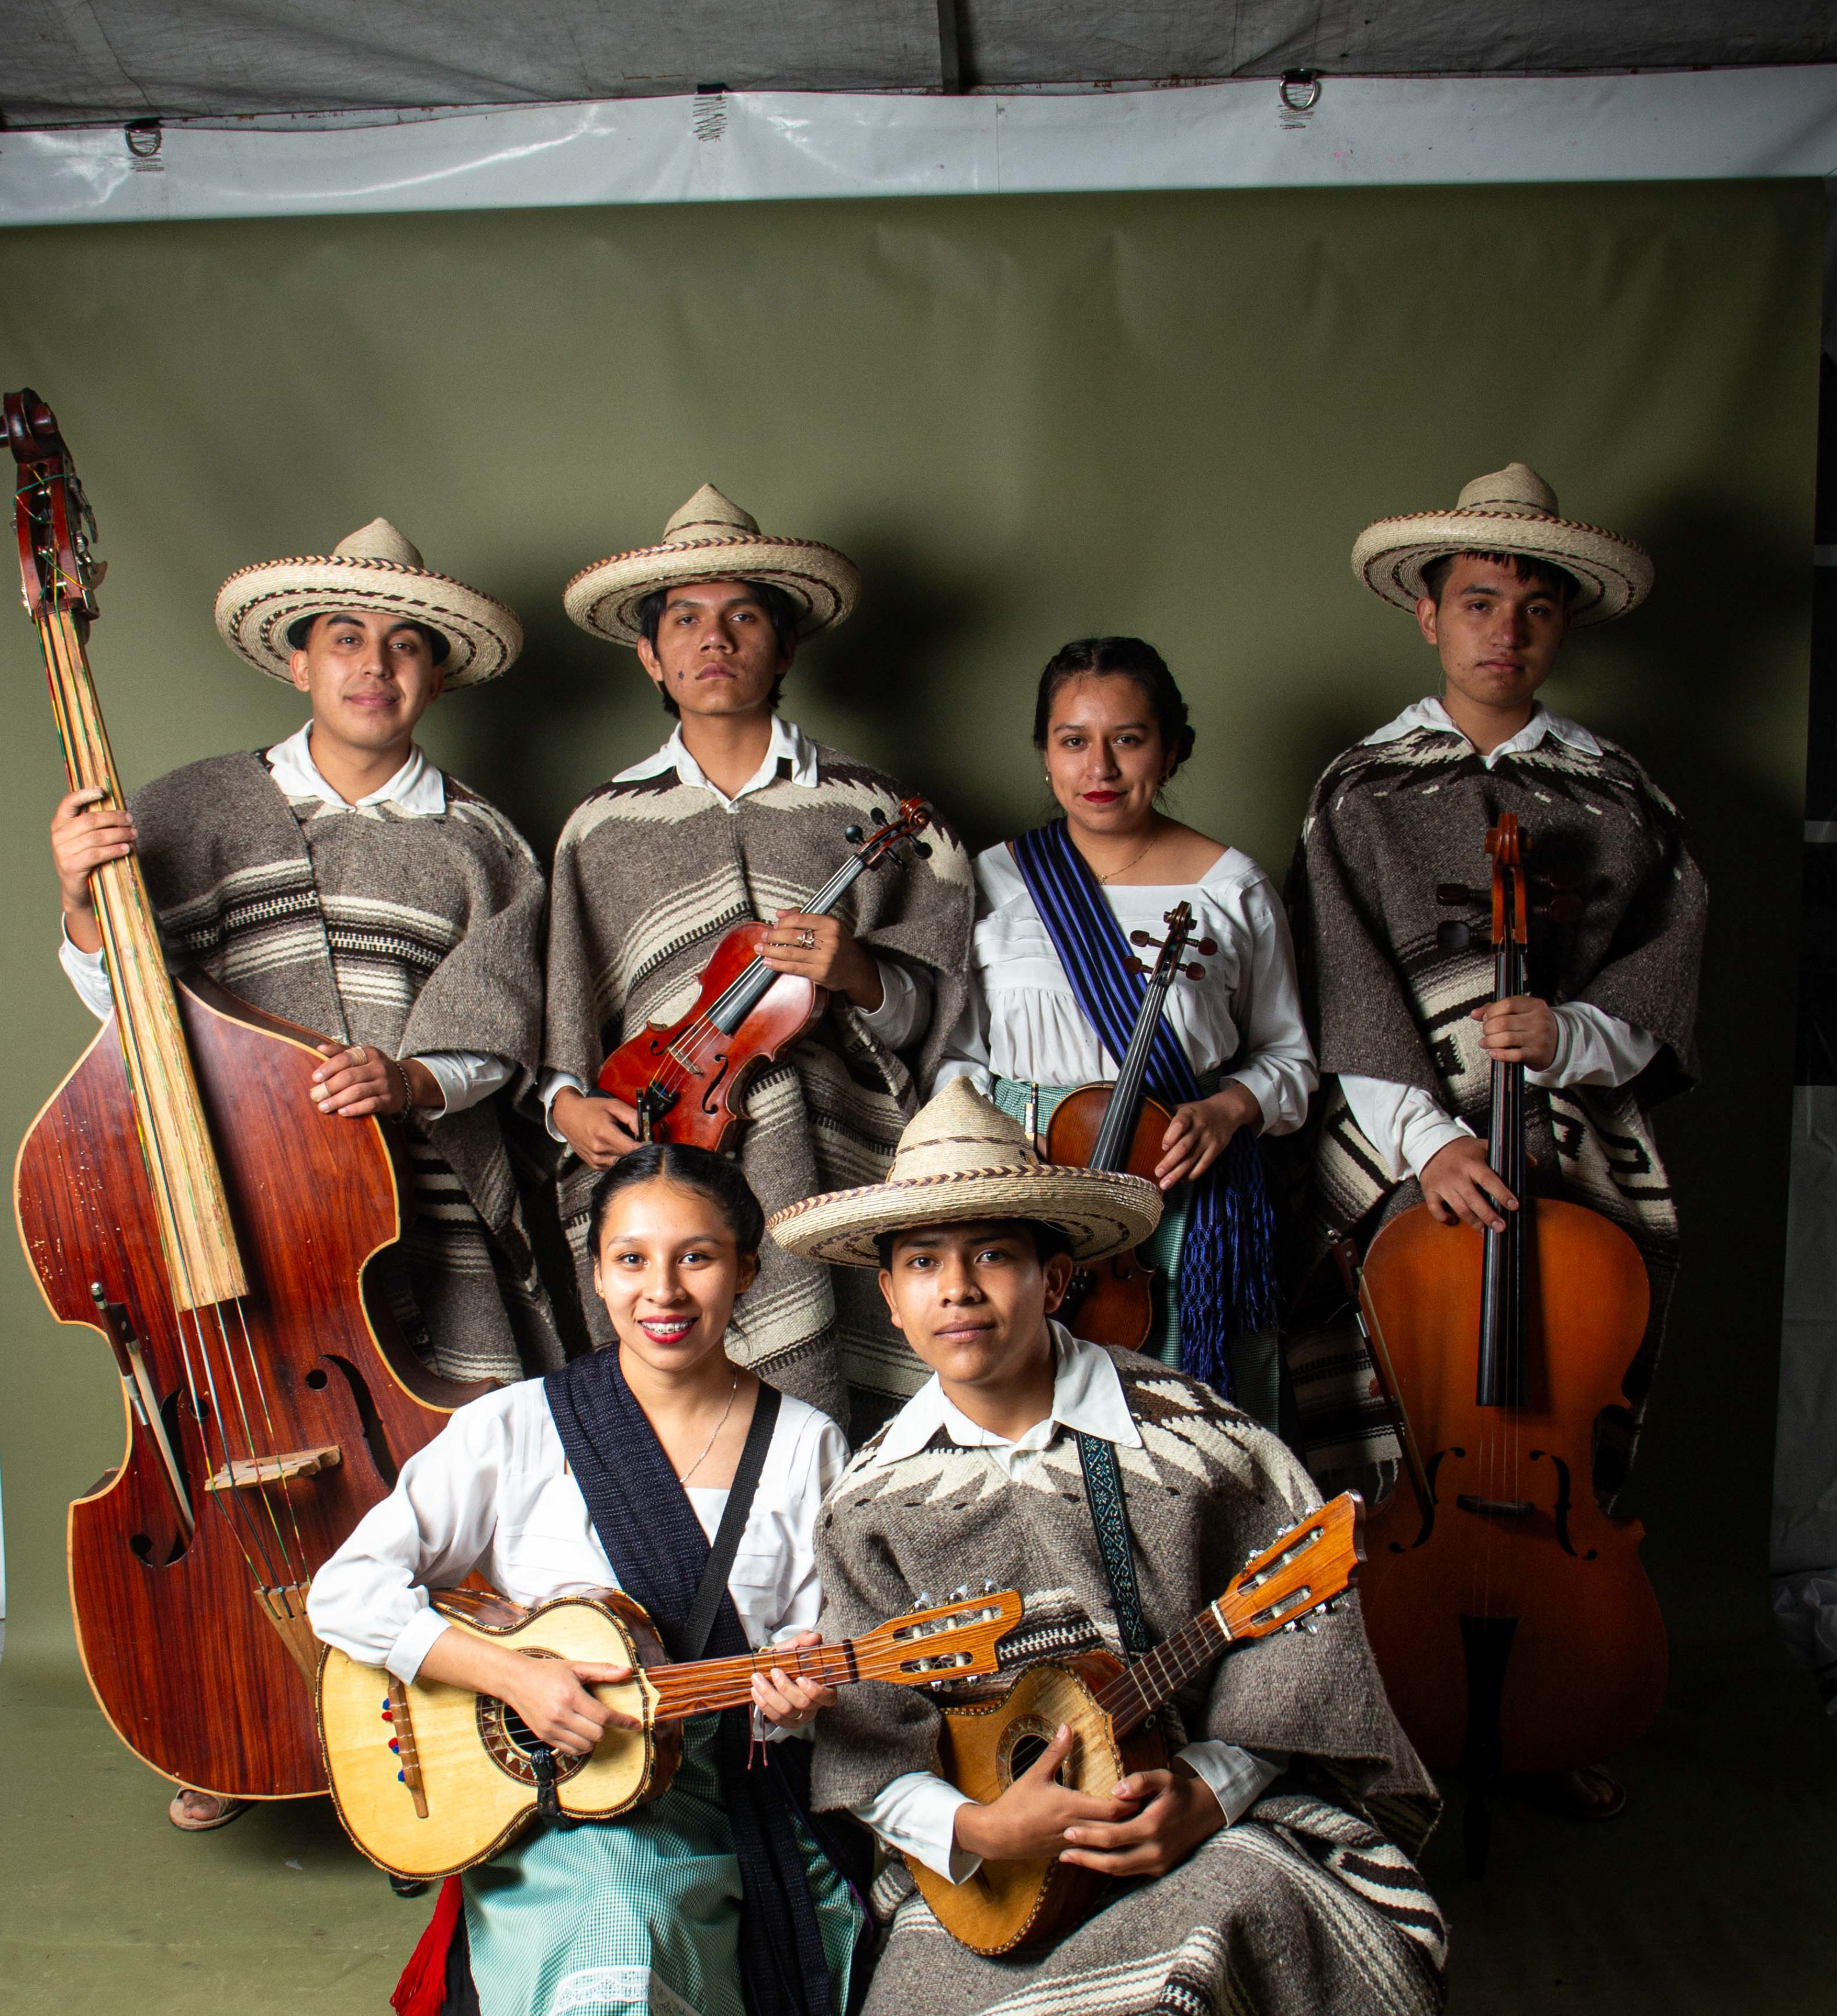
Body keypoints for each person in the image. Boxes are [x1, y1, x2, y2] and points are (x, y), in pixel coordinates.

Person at [768, 1083, 1446, 2016]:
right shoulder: (871, 1500)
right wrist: (978, 1832)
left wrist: (1209, 1790)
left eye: (994, 1257)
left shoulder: (1195, 1439)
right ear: (889, 1297)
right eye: (923, 1263)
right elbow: (874, 1752)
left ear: (1057, 1275)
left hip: (1187, 1820)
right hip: (992, 1862)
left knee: (1225, 1923)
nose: (959, 1288)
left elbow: (1304, 1651)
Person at [309, 1144, 952, 2016]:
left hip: (730, 1785)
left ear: (747, 1272)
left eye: (697, 1258)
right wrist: (508, 1678)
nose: (665, 1291)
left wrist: (792, 1697)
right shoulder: (516, 1427)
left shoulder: (805, 1447)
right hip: (555, 1809)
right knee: (626, 1927)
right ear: (597, 1276)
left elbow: (809, 1665)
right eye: (633, 1260)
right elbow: (344, 1593)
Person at [50, 518, 561, 1829]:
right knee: (235, 1442)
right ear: (298, 662)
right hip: (227, 1203)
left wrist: (409, 1079)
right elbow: (125, 1013)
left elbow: (508, 1038)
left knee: (459, 1458)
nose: (372, 667)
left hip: (417, 1210)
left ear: (435, 676)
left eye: (403, 647)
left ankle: (454, 1723)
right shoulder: (185, 809)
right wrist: (79, 907)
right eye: (344, 640)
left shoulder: (487, 846)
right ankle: (228, 1714)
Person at [1285, 464, 1707, 1820]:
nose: (1503, 632)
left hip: (1570, 1129)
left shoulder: (1617, 793)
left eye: (1532, 610)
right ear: (1429, 616)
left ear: (1562, 628)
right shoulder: (1361, 792)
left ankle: (1562, 1686)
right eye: (1477, 603)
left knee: (1574, 1386)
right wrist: (1423, 1144)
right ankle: (1389, 1688)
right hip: (1400, 1132)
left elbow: (1667, 969)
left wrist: (1573, 1038)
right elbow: (1341, 975)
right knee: (1387, 1403)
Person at [541, 485, 973, 1431]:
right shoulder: (601, 829)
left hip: (842, 1151)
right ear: (650, 653)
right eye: (686, 621)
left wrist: (860, 974)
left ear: (786, 644)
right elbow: (569, 1014)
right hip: (671, 1148)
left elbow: (949, 1022)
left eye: (744, 618)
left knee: (848, 1422)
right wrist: (569, 1103)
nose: (715, 641)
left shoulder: (873, 806)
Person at [937, 635, 1315, 1423]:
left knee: (1189, 1429)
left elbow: (1290, 1057)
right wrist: (991, 1147)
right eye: (1074, 741)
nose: (1099, 769)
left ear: (1172, 752)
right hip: (1026, 1197)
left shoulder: (1232, 885)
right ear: (1045, 752)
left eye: (1128, 740)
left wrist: (1231, 1108)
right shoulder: (991, 879)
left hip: (1181, 1199)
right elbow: (954, 1056)